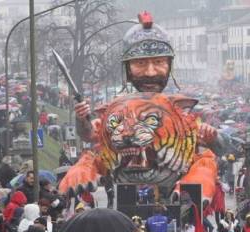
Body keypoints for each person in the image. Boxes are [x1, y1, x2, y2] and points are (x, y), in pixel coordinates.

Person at [74, 11, 218, 147]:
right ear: (128, 69)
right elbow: (90, 134)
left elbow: (223, 145)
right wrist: (82, 119)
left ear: (169, 65)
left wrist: (211, 136)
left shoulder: (179, 112)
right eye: (140, 63)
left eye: (158, 62)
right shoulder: (118, 111)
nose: (150, 72)